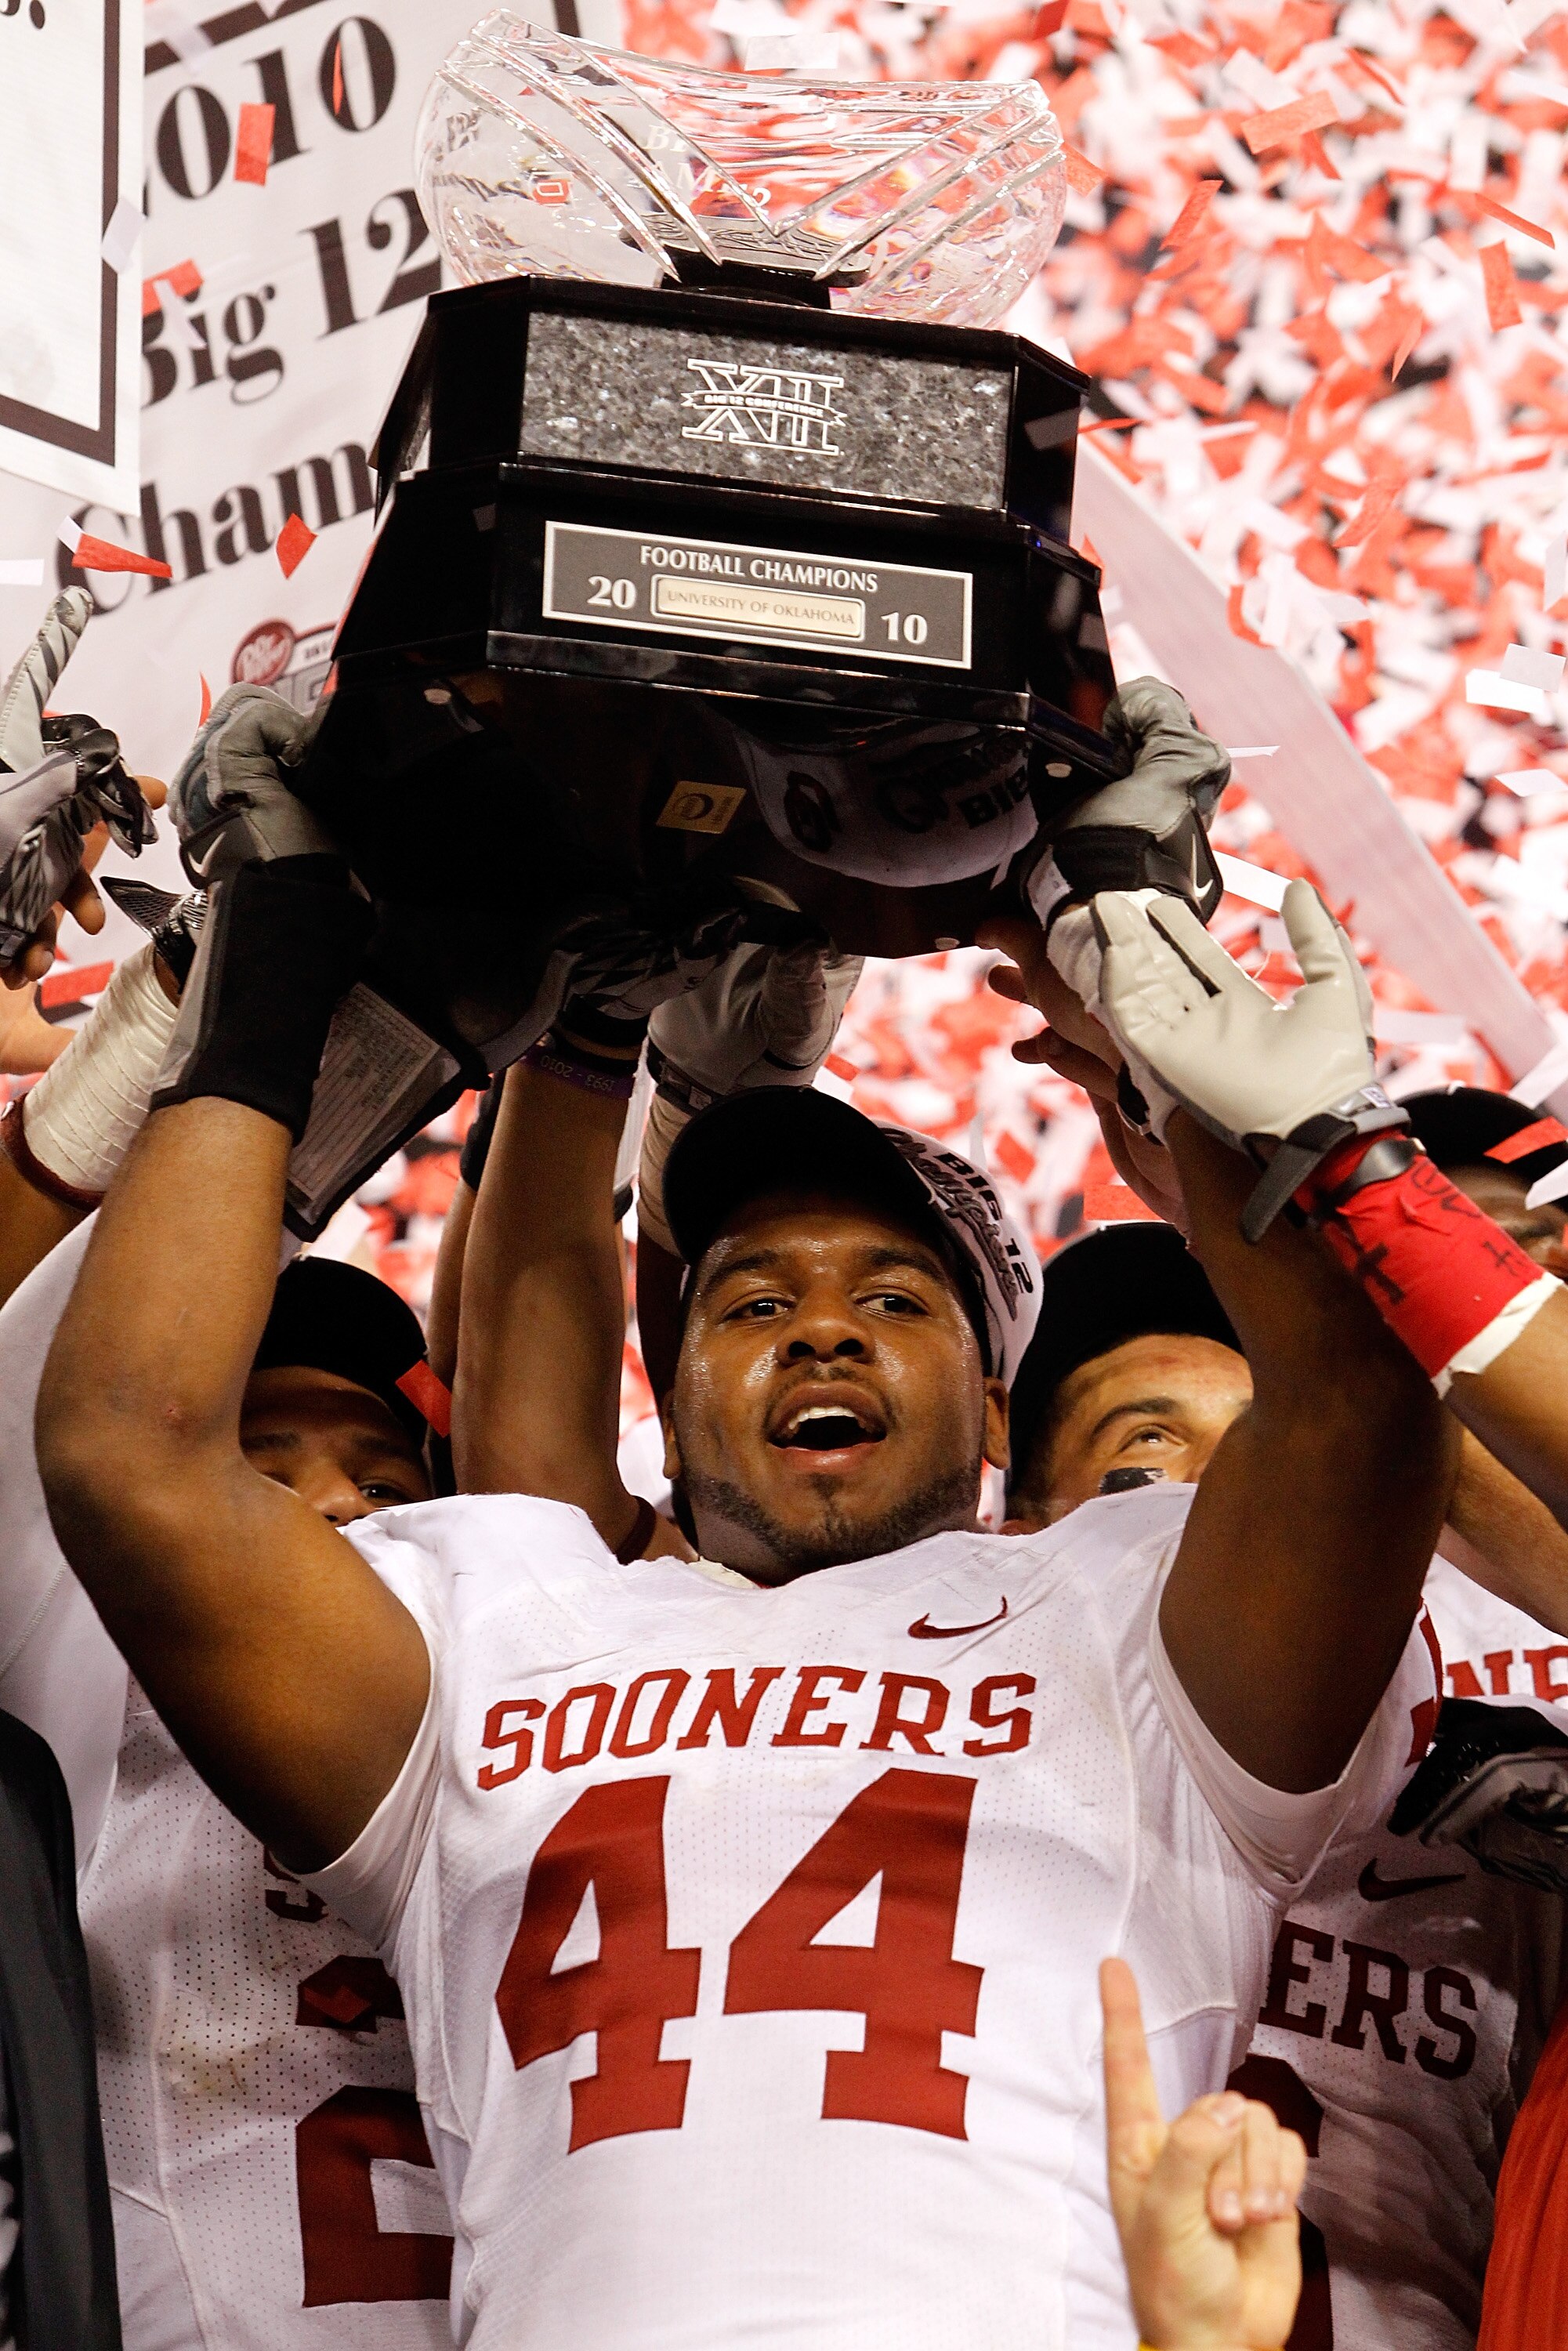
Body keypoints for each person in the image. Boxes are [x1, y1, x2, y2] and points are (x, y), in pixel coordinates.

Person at [30, 683, 1458, 2350]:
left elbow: (1358, 1406)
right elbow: (134, 1454)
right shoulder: (510, 1607)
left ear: (998, 1405)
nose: (823, 1327)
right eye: (751, 1298)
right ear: (672, 1379)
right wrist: (271, 969)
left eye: (894, 1301)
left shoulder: (1127, 1609)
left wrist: (1126, 957)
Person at [0, 844, 455, 2349]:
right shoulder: (74, 1634)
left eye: (385, 1482)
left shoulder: (513, 1659)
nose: (332, 1511)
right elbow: (80, 1407)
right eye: (259, 1467)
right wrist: (225, 993)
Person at [1003, 1218, 1568, 2349]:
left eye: (1263, 1435)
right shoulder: (940, 1720)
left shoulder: (1511, 1684)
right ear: (1016, 1534)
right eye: (1146, 1456)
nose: (1236, 1490)